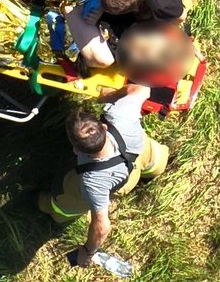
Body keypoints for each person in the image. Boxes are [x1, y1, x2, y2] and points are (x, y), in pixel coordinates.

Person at [38, 84, 169, 266]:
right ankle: (156, 168)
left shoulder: (92, 182)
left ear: (76, 150)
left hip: (121, 183)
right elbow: (142, 89)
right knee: (156, 159)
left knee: (62, 205)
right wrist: (112, 95)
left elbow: (102, 226)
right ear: (104, 127)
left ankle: (54, 211)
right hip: (141, 154)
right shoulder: (121, 114)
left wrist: (88, 251)